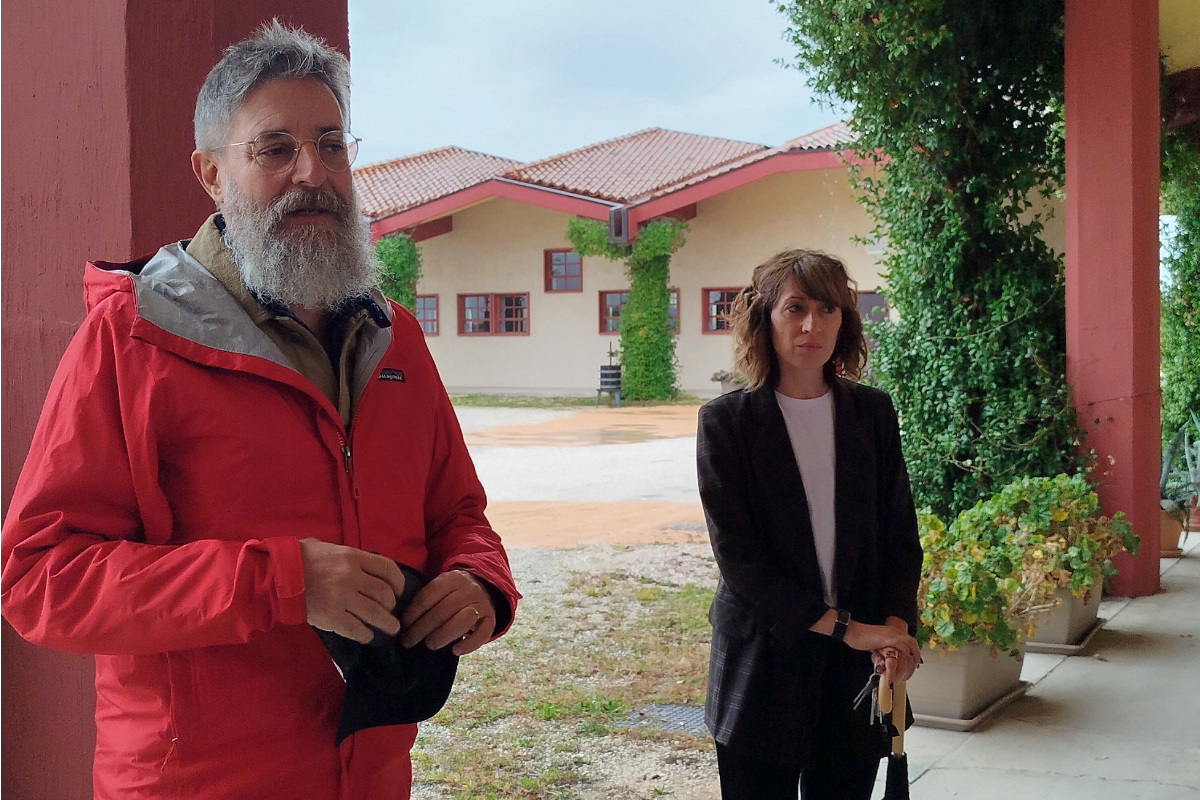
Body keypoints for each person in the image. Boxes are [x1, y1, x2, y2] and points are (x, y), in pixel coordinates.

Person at [0, 21, 519, 800]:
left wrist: (479, 582)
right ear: (211, 173)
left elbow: (459, 514)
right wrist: (281, 580)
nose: (313, 172)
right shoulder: (129, 337)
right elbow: (42, 579)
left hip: (370, 774)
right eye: (274, 150)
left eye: (332, 144)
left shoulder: (394, 336)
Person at [696, 249, 924, 800]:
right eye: (794, 308)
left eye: (827, 309)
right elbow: (742, 565)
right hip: (763, 666)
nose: (810, 325)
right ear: (764, 319)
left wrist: (895, 629)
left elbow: (899, 535)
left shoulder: (872, 413)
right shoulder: (726, 423)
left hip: (857, 674)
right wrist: (850, 628)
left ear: (843, 320)